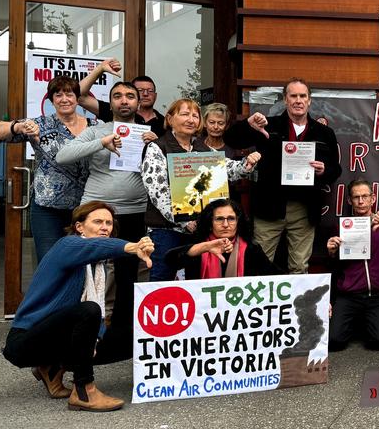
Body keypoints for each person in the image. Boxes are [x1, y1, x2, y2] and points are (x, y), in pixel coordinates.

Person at [2, 201, 154, 412]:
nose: (105, 227)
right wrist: (132, 246)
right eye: (98, 221)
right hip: (25, 341)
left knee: (133, 338)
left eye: (109, 223)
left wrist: (95, 339)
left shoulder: (97, 264)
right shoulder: (67, 245)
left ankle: (53, 368)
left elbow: (95, 316)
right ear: (79, 227)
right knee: (88, 309)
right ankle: (84, 391)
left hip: (59, 337)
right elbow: (94, 247)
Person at [56, 81, 148, 363]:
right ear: (110, 103)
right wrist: (102, 143)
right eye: (118, 96)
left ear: (138, 103)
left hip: (135, 210)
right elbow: (62, 156)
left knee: (126, 275)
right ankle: (77, 336)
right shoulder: (96, 130)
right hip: (96, 211)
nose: (124, 101)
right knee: (85, 274)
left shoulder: (148, 133)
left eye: (130, 96)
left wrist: (153, 147)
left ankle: (119, 338)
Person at [224, 77, 342, 274]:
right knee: (260, 264)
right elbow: (232, 140)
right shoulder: (268, 126)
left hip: (305, 210)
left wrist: (324, 171)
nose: (298, 100)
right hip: (269, 207)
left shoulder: (324, 133)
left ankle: (297, 305)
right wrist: (249, 124)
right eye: (293, 95)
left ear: (309, 100)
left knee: (299, 267)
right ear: (285, 100)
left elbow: (335, 170)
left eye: (302, 96)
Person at [141, 99, 261, 281]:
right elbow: (158, 191)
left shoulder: (201, 147)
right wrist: (183, 221)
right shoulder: (157, 147)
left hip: (198, 230)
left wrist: (247, 164)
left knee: (195, 280)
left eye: (195, 116)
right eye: (185, 114)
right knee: (162, 280)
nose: (191, 120)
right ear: (170, 118)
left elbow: (228, 169)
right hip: (166, 229)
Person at [0, 76, 92, 262]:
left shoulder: (95, 127)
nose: (64, 99)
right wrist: (18, 127)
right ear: (51, 100)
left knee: (81, 263)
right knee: (49, 263)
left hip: (85, 208)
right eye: (58, 95)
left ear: (77, 98)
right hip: (46, 209)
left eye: (69, 94)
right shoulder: (40, 124)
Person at [326, 179, 379, 351]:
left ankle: (369, 324)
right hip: (349, 295)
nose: (361, 201)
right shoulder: (341, 227)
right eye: (356, 197)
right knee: (333, 341)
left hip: (378, 295)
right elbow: (334, 266)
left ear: (373, 199)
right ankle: (357, 324)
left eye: (365, 196)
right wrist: (331, 252)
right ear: (349, 201)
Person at [165, 199, 280, 279]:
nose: (225, 224)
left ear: (238, 223)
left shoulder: (251, 249)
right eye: (219, 219)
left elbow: (278, 276)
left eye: (231, 219)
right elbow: (169, 260)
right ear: (210, 223)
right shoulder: (199, 246)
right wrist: (206, 247)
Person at [78, 58, 165, 139]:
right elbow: (80, 97)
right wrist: (100, 69)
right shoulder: (116, 110)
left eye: (150, 91)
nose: (145, 94)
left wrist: (156, 145)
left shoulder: (165, 122)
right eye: (140, 90)